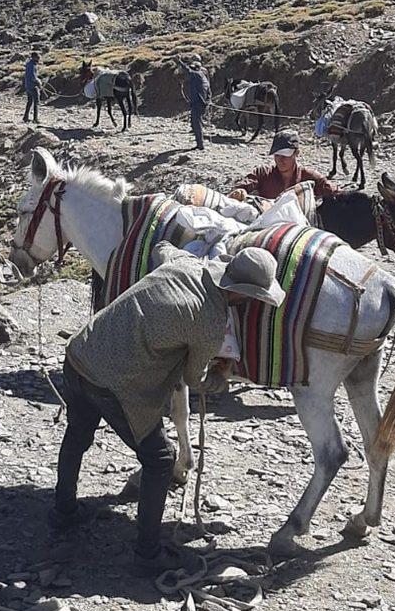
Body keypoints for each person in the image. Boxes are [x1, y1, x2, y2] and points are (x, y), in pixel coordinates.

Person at [52, 245, 284, 570]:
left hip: (80, 354)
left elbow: (161, 247)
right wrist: (221, 378)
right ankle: (147, 554)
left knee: (78, 433)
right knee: (160, 461)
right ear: (246, 296)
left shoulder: (186, 263)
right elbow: (194, 378)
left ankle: (64, 510)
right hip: (112, 382)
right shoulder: (210, 320)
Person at [233, 127, 337, 201]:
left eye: (285, 156)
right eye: (277, 155)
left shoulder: (310, 177)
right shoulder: (263, 173)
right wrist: (240, 191)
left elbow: (334, 192)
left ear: (296, 153)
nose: (280, 160)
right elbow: (244, 184)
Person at [179, 55, 211, 151]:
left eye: (193, 68)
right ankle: (199, 143)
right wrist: (209, 101)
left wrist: (179, 61)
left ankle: (200, 145)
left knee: (197, 124)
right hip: (202, 103)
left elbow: (188, 70)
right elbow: (209, 91)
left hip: (198, 103)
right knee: (195, 122)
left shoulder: (197, 74)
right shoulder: (203, 76)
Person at [23, 51, 42, 125]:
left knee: (29, 101)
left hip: (27, 85)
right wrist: (39, 83)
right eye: (37, 58)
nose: (38, 59)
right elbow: (33, 77)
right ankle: (35, 119)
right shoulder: (32, 65)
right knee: (36, 102)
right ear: (34, 57)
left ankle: (25, 117)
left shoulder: (28, 64)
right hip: (33, 86)